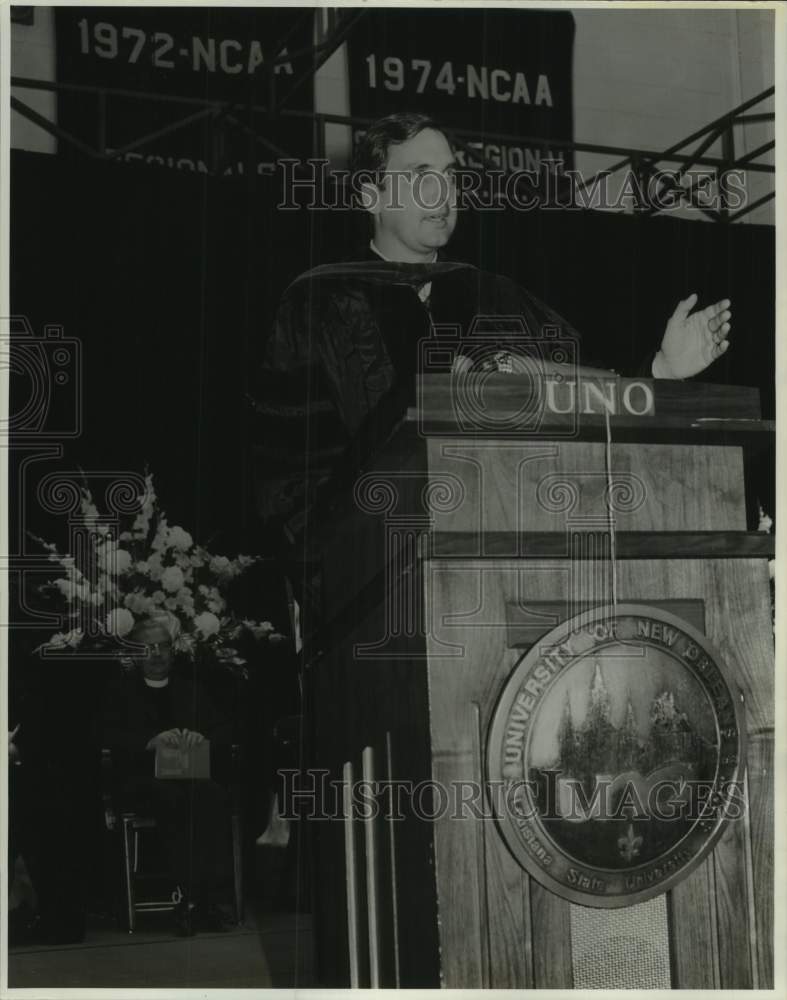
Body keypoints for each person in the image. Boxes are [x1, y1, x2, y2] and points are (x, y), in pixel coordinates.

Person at [252, 112, 732, 525]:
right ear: (369, 197)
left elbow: (579, 394)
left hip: (510, 548)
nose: (443, 193)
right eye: (421, 176)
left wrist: (660, 372)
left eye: (450, 175)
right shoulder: (320, 305)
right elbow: (293, 478)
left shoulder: (494, 295)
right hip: (381, 568)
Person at [101, 613, 234, 935]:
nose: (157, 654)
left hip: (190, 775)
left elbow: (225, 728)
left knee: (213, 795)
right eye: (148, 648)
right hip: (139, 779)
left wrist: (204, 738)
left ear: (173, 651)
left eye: (163, 647)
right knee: (172, 797)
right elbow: (103, 735)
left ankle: (197, 899)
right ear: (134, 654)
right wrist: (148, 742)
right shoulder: (118, 691)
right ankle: (192, 900)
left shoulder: (193, 689)